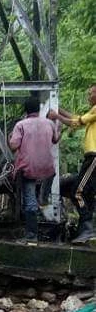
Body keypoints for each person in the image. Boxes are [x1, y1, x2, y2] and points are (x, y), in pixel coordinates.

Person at [48, 84, 96, 244]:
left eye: (92, 93)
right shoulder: (93, 111)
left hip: (94, 158)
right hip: (90, 158)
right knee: (83, 192)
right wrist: (58, 109)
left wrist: (57, 116)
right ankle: (84, 229)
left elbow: (74, 123)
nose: (89, 96)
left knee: (78, 192)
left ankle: (88, 227)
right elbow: (77, 119)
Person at [9, 97, 61, 243]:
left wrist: (9, 139)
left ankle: (31, 235)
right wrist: (59, 125)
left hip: (28, 169)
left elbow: (13, 146)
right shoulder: (49, 123)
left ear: (25, 110)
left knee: (30, 201)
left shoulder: (21, 125)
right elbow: (56, 139)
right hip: (47, 169)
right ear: (38, 109)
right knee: (42, 197)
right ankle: (44, 202)